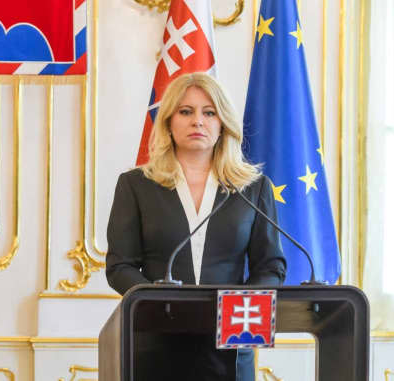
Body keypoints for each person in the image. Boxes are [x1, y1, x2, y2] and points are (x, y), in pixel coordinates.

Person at [106, 72, 286, 381]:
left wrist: (238, 312)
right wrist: (158, 303)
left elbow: (270, 265)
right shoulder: (136, 185)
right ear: (168, 122)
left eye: (209, 112)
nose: (197, 121)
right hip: (156, 345)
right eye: (185, 111)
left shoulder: (254, 189)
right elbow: (120, 265)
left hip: (230, 348)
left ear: (222, 124)